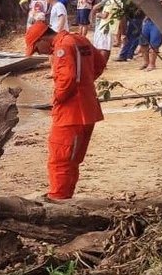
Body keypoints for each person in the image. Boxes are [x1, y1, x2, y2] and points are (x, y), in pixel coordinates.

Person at [25, 21, 106, 200]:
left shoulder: (62, 47)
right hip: (88, 109)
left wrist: (57, 99)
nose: (39, 52)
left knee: (60, 159)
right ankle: (65, 195)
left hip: (70, 113)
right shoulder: (80, 39)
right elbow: (100, 63)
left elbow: (67, 79)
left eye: (37, 48)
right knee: (72, 160)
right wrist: (85, 84)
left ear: (42, 39)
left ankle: (58, 197)